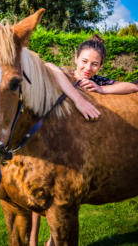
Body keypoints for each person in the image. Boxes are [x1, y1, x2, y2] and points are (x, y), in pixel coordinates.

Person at [30, 34, 138, 246]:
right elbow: (49, 66)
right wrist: (78, 98)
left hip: (76, 142)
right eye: (85, 61)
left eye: (95, 64)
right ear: (76, 58)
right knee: (36, 194)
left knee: (59, 194)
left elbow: (133, 87)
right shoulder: (65, 74)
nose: (88, 68)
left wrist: (101, 89)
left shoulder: (96, 81)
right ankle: (32, 240)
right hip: (50, 137)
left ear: (101, 66)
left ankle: (52, 240)